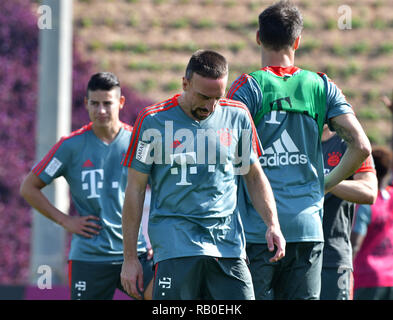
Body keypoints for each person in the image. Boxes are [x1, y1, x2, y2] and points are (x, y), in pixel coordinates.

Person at [227, 0, 372, 299]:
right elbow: (361, 146)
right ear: (298, 40)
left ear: (258, 37)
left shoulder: (248, 87)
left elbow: (225, 155)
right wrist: (325, 184)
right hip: (308, 229)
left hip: (259, 231)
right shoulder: (321, 85)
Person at [120, 49, 285, 300]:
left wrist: (273, 223)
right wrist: (130, 258)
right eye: (203, 96)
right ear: (185, 83)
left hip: (227, 245)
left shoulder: (237, 116)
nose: (210, 106)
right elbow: (135, 189)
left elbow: (253, 176)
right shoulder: (152, 121)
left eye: (217, 98)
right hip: (175, 244)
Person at [20, 72, 154, 300]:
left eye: (107, 103)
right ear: (86, 103)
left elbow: (163, 190)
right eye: (94, 103)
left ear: (120, 103)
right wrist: (65, 220)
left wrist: (156, 239)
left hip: (135, 254)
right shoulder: (69, 147)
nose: (101, 110)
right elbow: (29, 187)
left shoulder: (139, 142)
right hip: (89, 257)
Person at [320, 125, 377, 300]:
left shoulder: (351, 142)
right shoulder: (293, 137)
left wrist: (324, 181)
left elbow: (369, 191)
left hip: (331, 259)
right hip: (287, 255)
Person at [351, 146, 393, 300]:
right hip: (390, 277)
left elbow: (355, 243)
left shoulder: (367, 202)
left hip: (367, 277)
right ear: (388, 171)